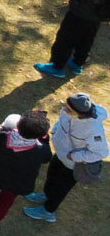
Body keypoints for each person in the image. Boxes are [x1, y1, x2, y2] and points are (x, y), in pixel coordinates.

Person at [27, 92, 107, 223]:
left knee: (61, 187)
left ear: (80, 113)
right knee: (51, 175)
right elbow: (61, 121)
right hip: (60, 154)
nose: (64, 109)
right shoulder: (68, 110)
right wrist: (55, 130)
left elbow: (100, 153)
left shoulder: (94, 129)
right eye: (65, 105)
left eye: (68, 109)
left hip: (72, 164)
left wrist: (75, 156)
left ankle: (48, 211)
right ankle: (45, 195)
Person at [0, 111, 49, 236]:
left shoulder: (0, 136)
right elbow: (47, 158)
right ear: (41, 135)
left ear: (18, 125)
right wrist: (45, 141)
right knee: (5, 202)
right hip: (15, 182)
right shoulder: (41, 150)